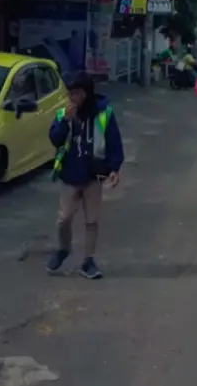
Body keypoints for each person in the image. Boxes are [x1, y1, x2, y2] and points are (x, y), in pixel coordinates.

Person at [47, 72, 124, 279]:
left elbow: (114, 140)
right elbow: (54, 138)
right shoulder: (64, 112)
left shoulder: (104, 113)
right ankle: (64, 249)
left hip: (93, 175)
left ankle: (88, 261)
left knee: (92, 221)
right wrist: (65, 121)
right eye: (71, 93)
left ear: (88, 93)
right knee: (64, 219)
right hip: (70, 175)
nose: (74, 98)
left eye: (78, 93)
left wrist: (115, 168)